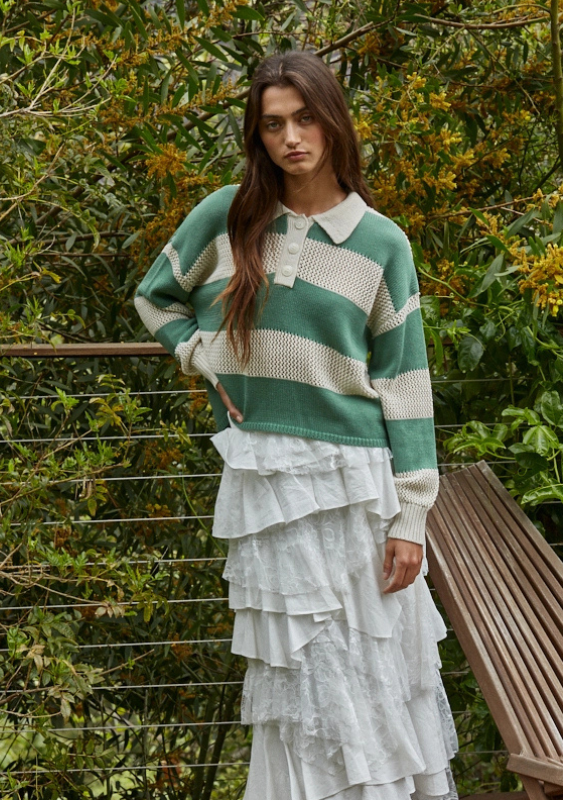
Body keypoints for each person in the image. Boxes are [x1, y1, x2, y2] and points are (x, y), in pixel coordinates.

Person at [135, 50, 459, 800]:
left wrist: (412, 513)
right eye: (274, 123)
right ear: (259, 134)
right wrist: (202, 356)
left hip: (357, 482)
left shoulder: (382, 243)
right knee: (298, 676)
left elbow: (405, 384)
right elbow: (157, 297)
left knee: (375, 672)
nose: (291, 138)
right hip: (267, 479)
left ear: (332, 122)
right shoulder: (228, 215)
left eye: (305, 118)